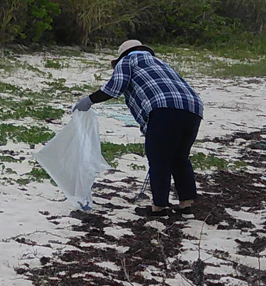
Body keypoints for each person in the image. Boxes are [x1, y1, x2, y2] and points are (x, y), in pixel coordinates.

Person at [74, 39, 203, 218]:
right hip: (194, 110)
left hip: (164, 109)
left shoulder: (128, 61)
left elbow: (114, 87)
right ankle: (186, 206)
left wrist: (89, 100)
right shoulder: (161, 63)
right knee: (180, 158)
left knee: (159, 160)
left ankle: (159, 208)